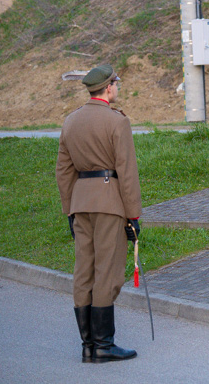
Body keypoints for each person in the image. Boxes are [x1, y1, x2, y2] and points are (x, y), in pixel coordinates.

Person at [56, 65, 142, 363]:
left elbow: (64, 172)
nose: (117, 88)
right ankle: (103, 345)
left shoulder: (71, 121)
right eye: (116, 84)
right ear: (108, 87)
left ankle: (88, 345)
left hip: (81, 203)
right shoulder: (117, 122)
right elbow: (127, 173)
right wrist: (134, 216)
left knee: (84, 270)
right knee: (107, 270)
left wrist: (70, 209)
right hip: (109, 203)